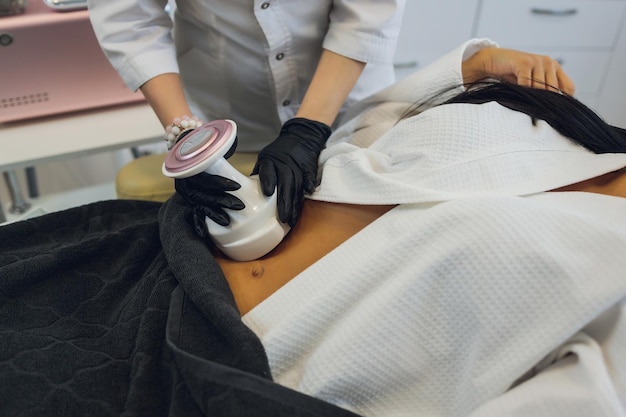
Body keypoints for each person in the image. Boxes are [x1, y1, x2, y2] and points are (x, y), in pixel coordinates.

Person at [2, 39, 624, 417]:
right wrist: (477, 64)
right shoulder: (558, 123)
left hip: (209, 364)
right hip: (159, 255)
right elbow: (377, 124)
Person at [87, 0, 407, 227]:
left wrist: (307, 129)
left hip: (352, 105)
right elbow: (130, 20)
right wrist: (189, 141)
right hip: (229, 115)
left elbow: (367, 12)